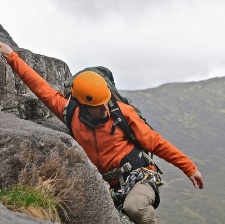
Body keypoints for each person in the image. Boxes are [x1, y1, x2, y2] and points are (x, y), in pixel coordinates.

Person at [0, 42, 204, 224]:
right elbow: (40, 87)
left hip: (138, 176)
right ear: (82, 105)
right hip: (108, 185)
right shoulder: (69, 112)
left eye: (105, 102)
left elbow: (157, 143)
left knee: (135, 208)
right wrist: (11, 56)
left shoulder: (123, 113)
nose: (104, 108)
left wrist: (190, 169)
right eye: (98, 106)